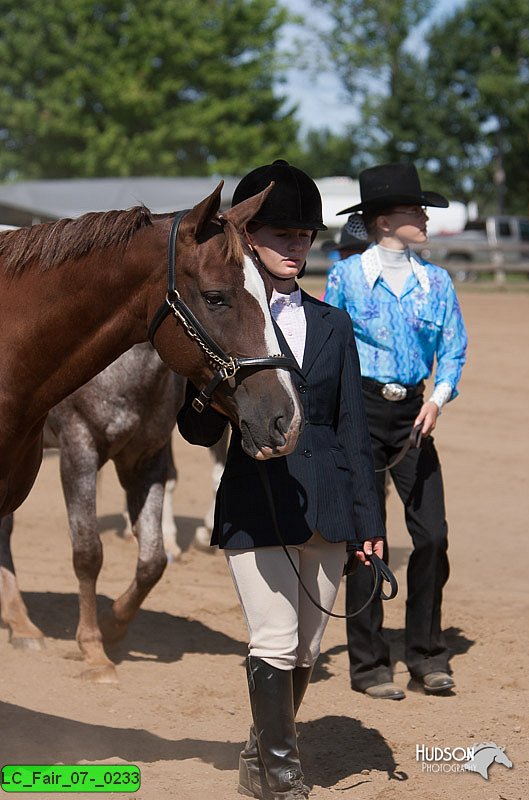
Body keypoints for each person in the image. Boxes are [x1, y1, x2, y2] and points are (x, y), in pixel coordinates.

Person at [177, 159, 385, 799]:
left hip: (325, 502)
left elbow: (353, 430)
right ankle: (282, 778)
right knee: (273, 637)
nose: (296, 247)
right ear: (248, 240)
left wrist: (369, 528)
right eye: (282, 235)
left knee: (306, 652)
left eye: (305, 236)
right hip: (255, 497)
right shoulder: (224, 323)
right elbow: (195, 430)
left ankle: (254, 753)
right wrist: (210, 395)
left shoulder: (333, 325)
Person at [324, 162, 468, 700]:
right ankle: (368, 664)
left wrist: (438, 396)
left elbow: (452, 348)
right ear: (383, 221)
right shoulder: (345, 279)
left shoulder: (437, 281)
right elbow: (328, 347)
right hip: (358, 411)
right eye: (414, 210)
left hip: (414, 414)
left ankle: (427, 655)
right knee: (367, 540)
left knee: (432, 535)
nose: (425, 216)